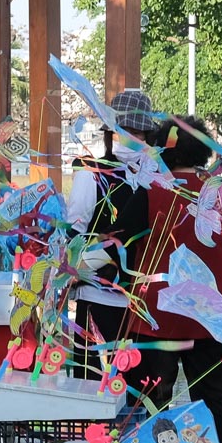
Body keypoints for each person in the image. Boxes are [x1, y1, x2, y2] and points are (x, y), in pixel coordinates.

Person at [105, 116, 222, 443]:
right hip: (211, 310)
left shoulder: (151, 192)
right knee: (215, 395)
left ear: (162, 150)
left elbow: (118, 241)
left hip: (160, 312)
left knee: (153, 397)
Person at [66, 89, 158, 378]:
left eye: (137, 132)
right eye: (124, 130)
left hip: (144, 302)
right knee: (93, 383)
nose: (132, 138)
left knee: (136, 385)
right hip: (98, 295)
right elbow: (75, 234)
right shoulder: (92, 173)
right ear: (111, 132)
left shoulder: (160, 176)